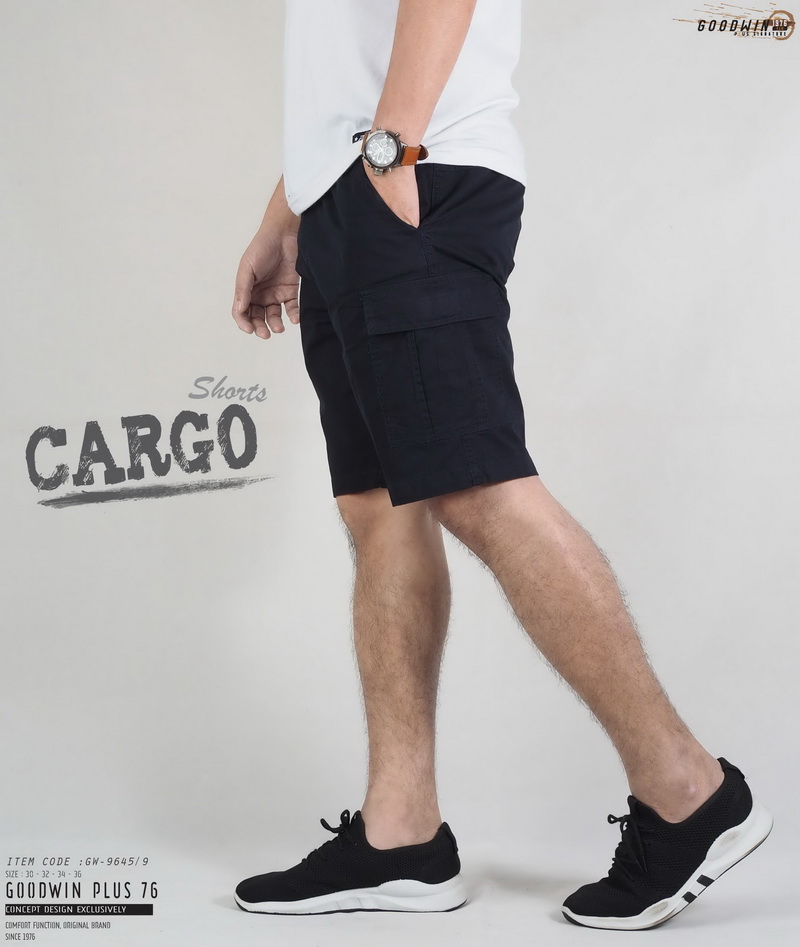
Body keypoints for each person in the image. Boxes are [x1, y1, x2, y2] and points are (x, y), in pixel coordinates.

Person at [228, 0, 772, 930]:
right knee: (379, 505)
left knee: (476, 487)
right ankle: (401, 835)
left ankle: (689, 789)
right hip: (346, 196)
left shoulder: (400, 158)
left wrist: (391, 149)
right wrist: (290, 210)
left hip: (413, 175)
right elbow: (340, 55)